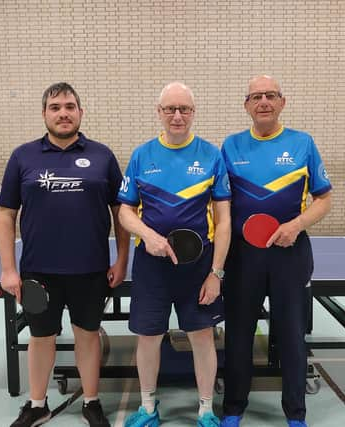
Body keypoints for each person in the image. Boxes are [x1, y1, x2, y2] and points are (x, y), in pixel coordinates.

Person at [0, 82, 130, 427]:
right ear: (44, 114)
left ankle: (91, 401)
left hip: (89, 269)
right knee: (41, 338)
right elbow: (6, 215)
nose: (63, 113)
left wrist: (121, 260)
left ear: (80, 113)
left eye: (70, 106)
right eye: (55, 107)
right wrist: (9, 269)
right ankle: (37, 404)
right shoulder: (22, 156)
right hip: (38, 272)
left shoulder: (102, 156)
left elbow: (122, 212)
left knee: (88, 335)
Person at [219, 75, 333, 427]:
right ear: (247, 105)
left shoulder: (303, 143)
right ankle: (234, 407)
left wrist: (296, 225)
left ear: (282, 102)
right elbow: (219, 203)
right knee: (238, 335)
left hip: (289, 254)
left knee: (291, 335)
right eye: (256, 96)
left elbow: (324, 198)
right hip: (242, 258)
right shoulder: (230, 146)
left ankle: (295, 413)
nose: (264, 101)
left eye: (271, 95)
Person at [117, 82, 231, 427]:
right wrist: (148, 236)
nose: (177, 115)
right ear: (159, 112)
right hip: (152, 265)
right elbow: (124, 212)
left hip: (198, 267)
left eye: (184, 109)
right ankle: (148, 407)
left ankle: (206, 409)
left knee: (201, 336)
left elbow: (224, 220)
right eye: (170, 109)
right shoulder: (142, 155)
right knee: (148, 337)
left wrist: (217, 273)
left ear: (193, 113)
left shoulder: (212, 156)